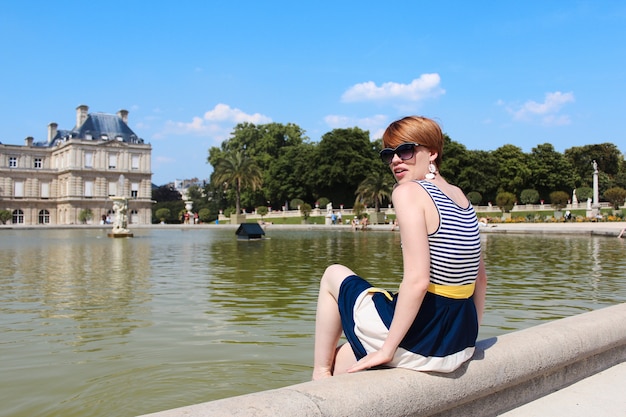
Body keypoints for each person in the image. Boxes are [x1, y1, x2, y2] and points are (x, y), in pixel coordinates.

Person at [312, 116, 488, 380]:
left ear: (432, 152)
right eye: (388, 154)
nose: (395, 160)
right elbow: (480, 279)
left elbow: (418, 281)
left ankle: (319, 373)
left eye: (405, 150)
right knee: (346, 354)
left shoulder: (408, 192)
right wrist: (468, 337)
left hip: (425, 333)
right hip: (458, 340)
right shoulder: (459, 195)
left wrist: (388, 349)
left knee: (332, 274)